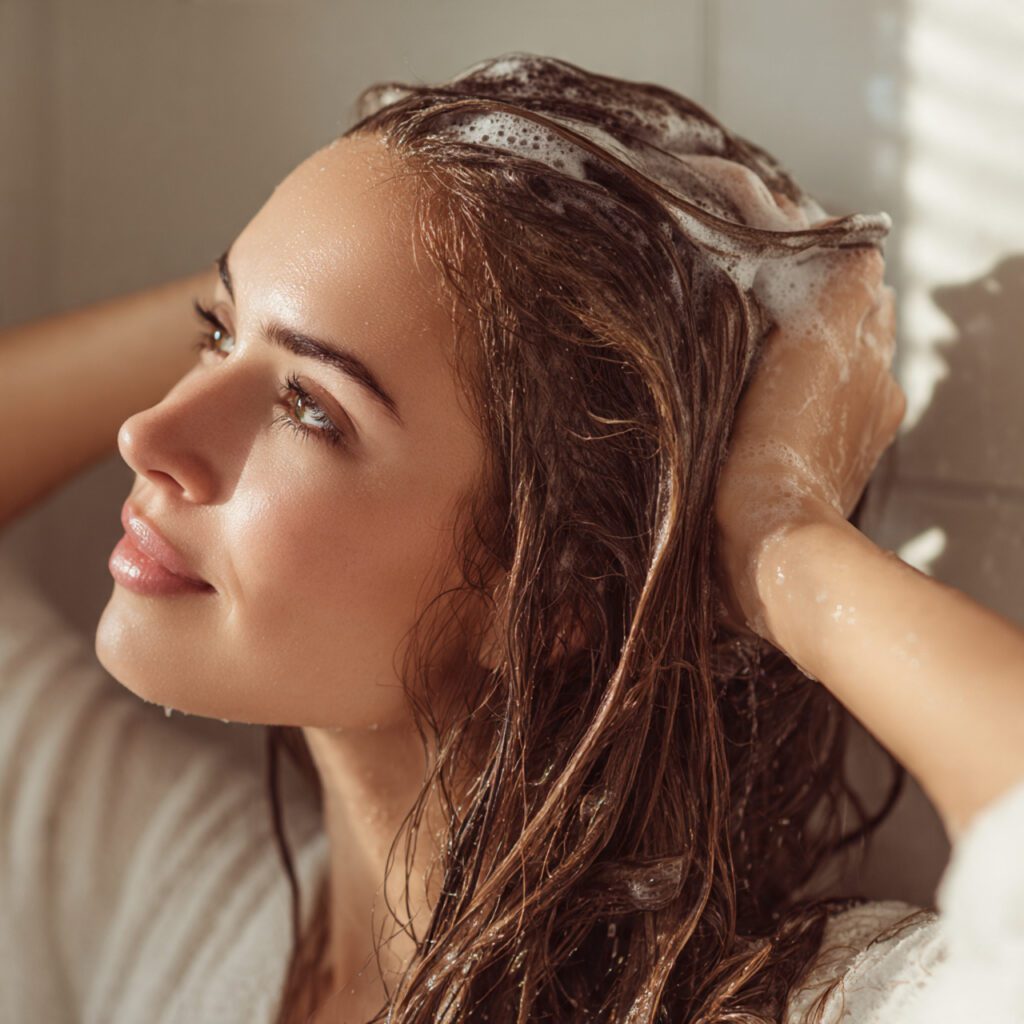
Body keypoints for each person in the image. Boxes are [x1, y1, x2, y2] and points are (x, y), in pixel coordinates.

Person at [1, 51, 1022, 1024]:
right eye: (210, 331)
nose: (147, 432)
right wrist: (345, 243)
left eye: (311, 409)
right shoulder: (190, 912)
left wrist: (775, 535)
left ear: (555, 597)